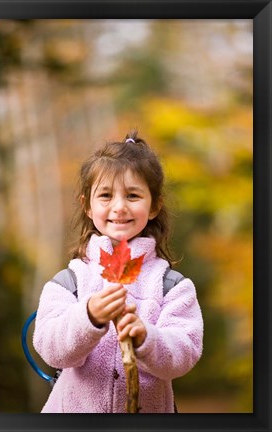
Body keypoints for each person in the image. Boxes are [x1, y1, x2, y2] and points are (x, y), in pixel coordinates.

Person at [33, 130, 203, 413]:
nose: (119, 207)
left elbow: (185, 353)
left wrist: (147, 338)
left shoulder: (172, 286)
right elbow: (50, 348)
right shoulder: (69, 282)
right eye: (106, 195)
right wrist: (87, 317)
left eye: (133, 195)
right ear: (87, 205)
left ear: (154, 206)